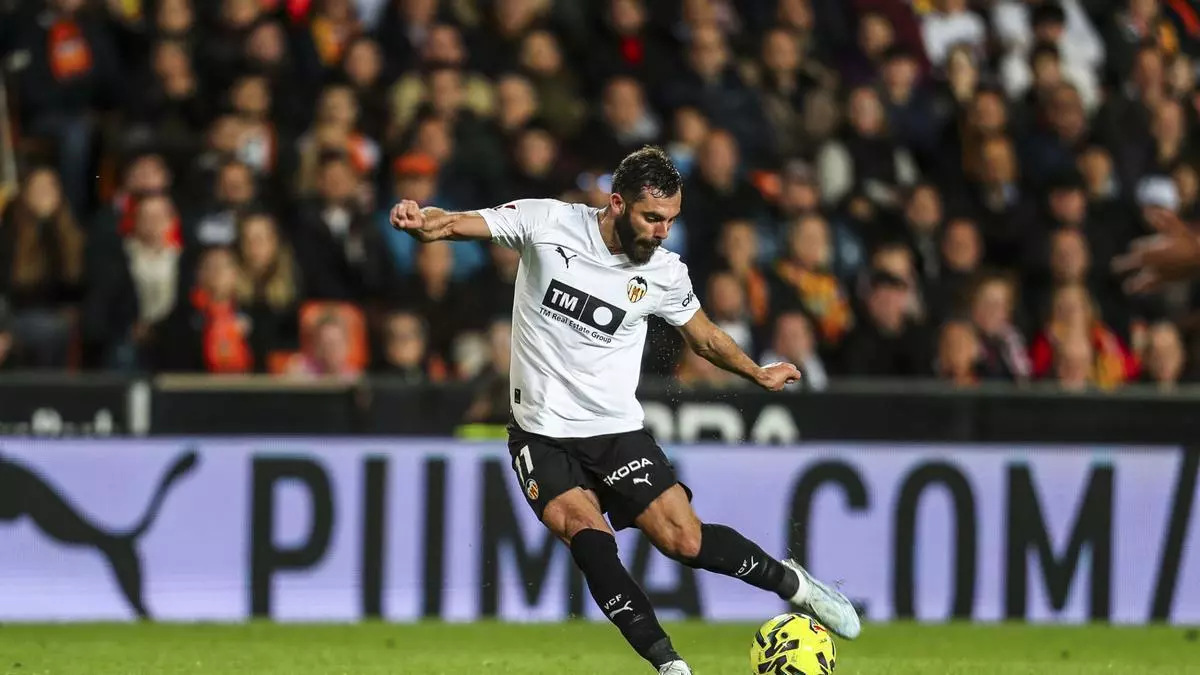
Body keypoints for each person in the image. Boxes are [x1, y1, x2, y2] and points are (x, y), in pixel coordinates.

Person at [389, 146, 860, 675]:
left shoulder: (665, 272)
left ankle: (794, 585)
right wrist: (421, 222)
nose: (663, 232)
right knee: (587, 534)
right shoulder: (547, 223)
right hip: (539, 433)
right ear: (617, 204)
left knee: (684, 539)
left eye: (671, 220)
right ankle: (670, 665)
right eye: (652, 218)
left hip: (615, 431)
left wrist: (757, 372)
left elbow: (704, 338)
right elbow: (453, 223)